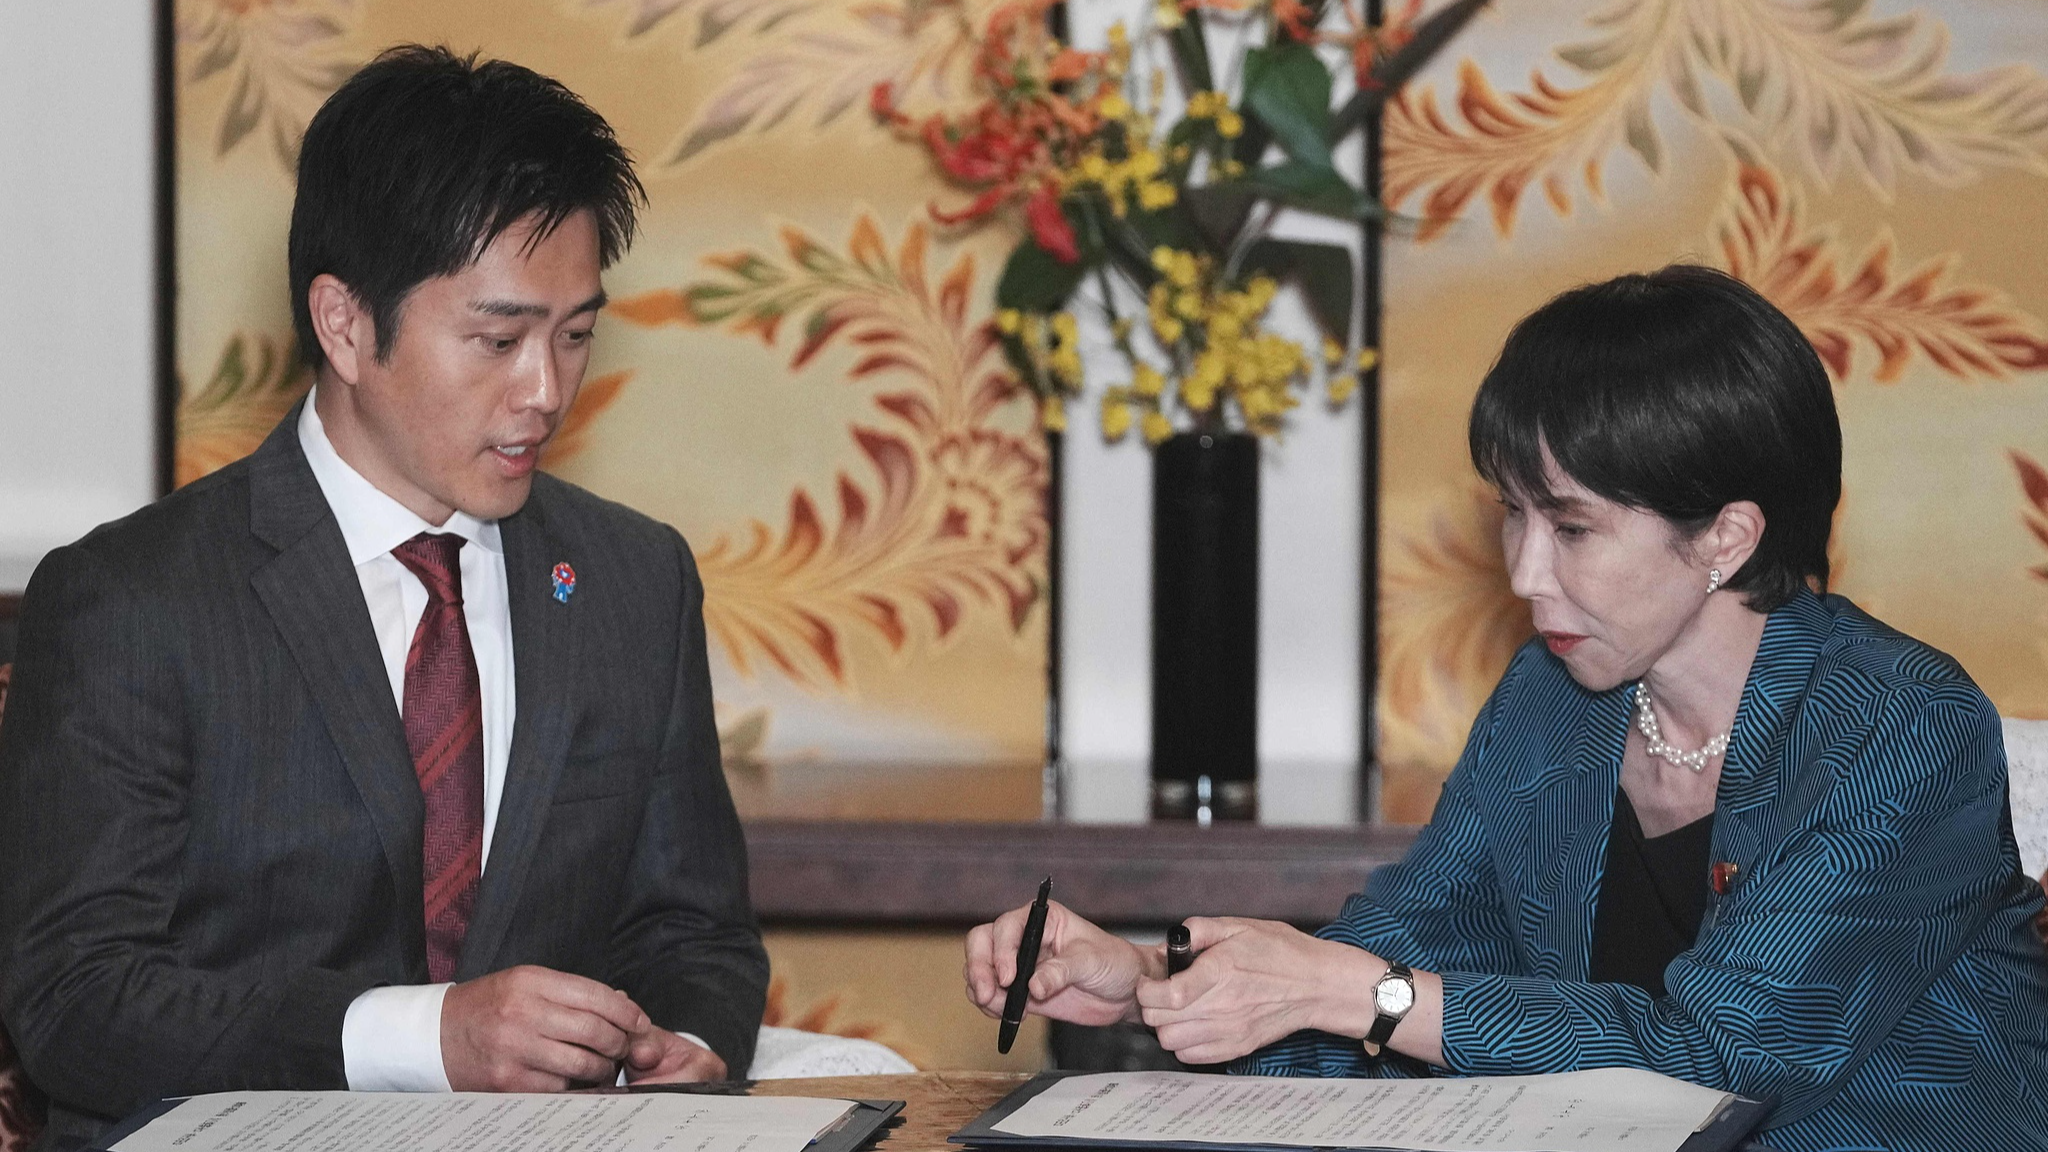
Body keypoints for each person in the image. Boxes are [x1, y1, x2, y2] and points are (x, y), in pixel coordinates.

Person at [966, 266, 2048, 1150]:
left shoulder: (1899, 724)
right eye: (1511, 516)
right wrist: (1155, 987)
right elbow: (1404, 948)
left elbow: (1724, 1061)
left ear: (1725, 537)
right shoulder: (1555, 698)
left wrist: (1366, 994)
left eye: (1570, 528)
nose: (1526, 573)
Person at [0, 46, 766, 1150]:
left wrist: (683, 1046)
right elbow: (77, 1002)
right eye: (498, 340)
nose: (545, 391)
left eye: (576, 334)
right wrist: (424, 1038)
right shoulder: (134, 600)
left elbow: (695, 933)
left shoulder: (632, 582)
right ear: (346, 324)